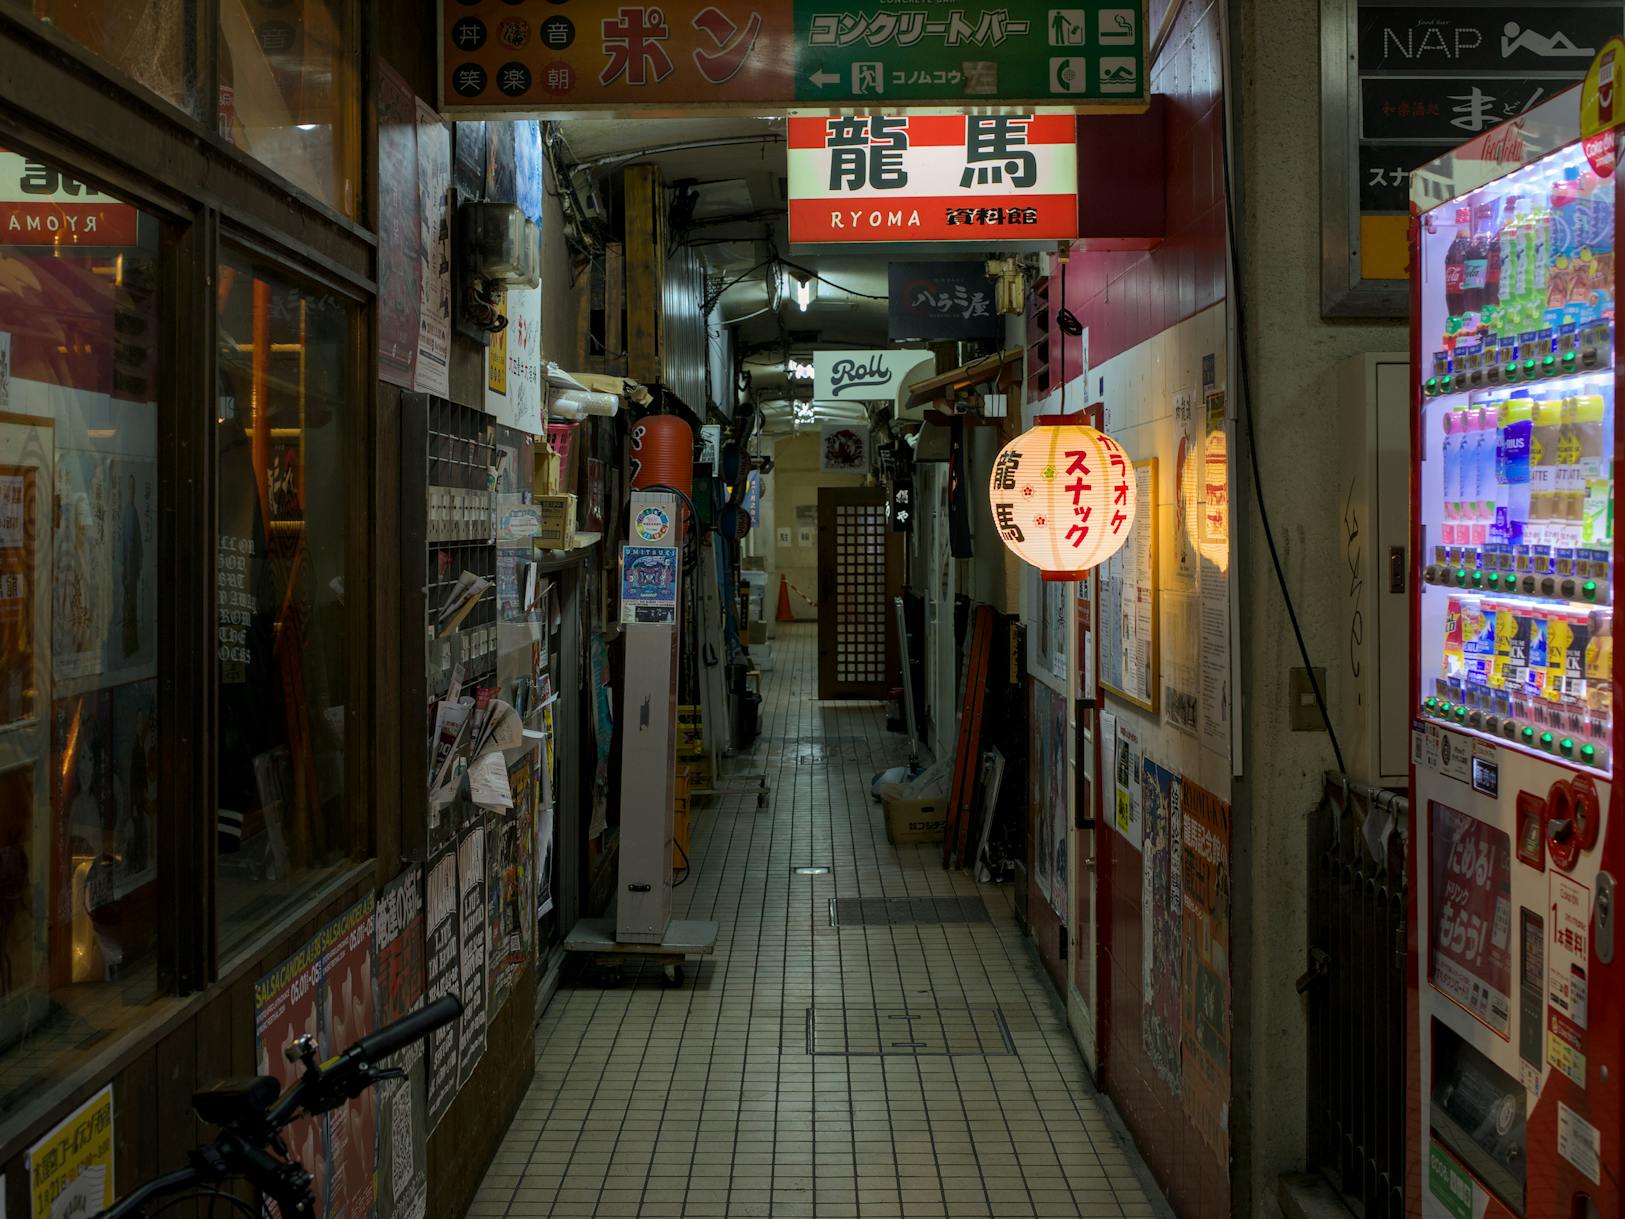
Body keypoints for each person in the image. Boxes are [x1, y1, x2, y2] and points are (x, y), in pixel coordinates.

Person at [119, 474, 143, 658]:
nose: (132, 491)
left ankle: (132, 643)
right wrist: (125, 569)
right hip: (128, 569)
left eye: (133, 487)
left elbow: (139, 545)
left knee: (132, 606)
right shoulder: (127, 513)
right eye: (130, 487)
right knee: (128, 606)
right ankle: (127, 644)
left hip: (132, 570)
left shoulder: (133, 512)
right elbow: (123, 546)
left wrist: (137, 567)